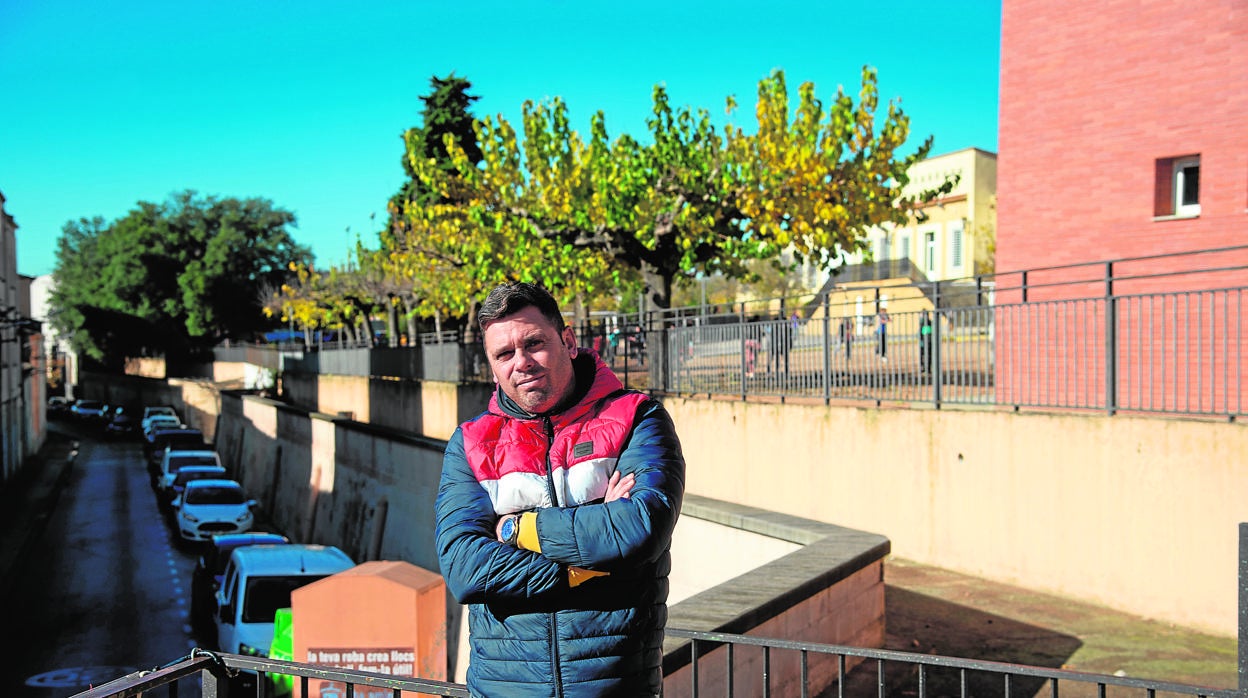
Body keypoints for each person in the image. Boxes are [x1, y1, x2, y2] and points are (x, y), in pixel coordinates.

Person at [435, 282, 686, 697]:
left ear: (568, 341)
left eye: (534, 343)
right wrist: (581, 567)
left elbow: (638, 530)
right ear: (491, 365)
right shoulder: (471, 443)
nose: (521, 362)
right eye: (504, 354)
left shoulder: (637, 418)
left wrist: (516, 531)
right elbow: (464, 568)